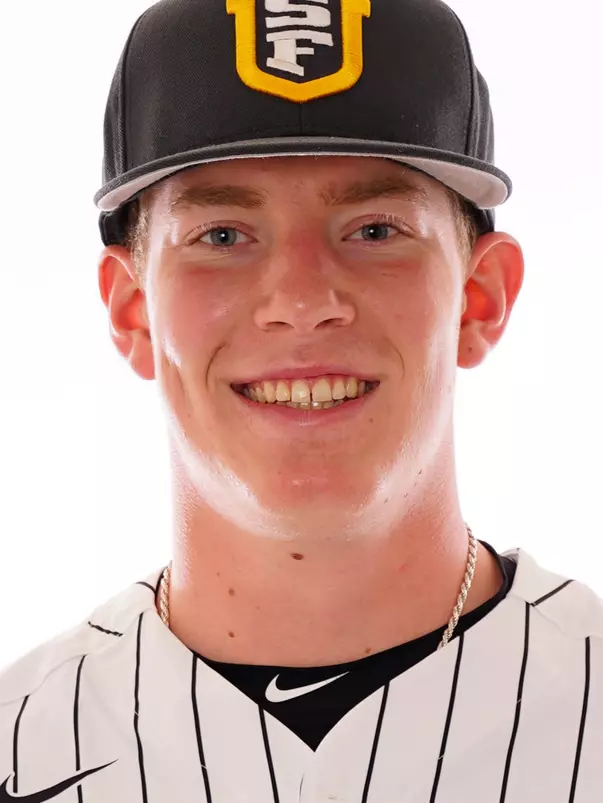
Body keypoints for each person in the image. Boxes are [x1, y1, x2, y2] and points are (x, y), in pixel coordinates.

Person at [1, 0, 601, 800]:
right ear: (133, 313)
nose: (302, 298)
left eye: (375, 229)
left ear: (477, 298)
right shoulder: (22, 744)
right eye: (221, 237)